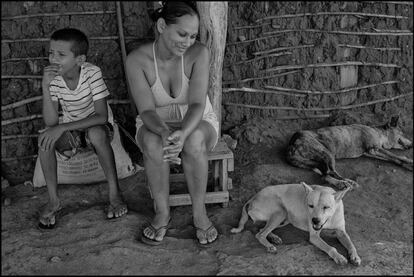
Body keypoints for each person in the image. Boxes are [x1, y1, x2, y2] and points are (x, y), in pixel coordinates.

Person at [125, 1, 220, 245]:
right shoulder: (137, 60)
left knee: (195, 140)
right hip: (155, 123)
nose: (187, 42)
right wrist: (166, 132)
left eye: (192, 36)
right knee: (153, 142)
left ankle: (199, 215)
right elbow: (146, 110)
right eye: (181, 34)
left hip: (197, 121)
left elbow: (198, 104)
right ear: (161, 26)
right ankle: (162, 212)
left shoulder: (199, 53)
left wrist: (183, 134)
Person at [38, 28, 128, 229]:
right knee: (44, 140)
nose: (53, 59)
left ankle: (115, 195)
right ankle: (53, 200)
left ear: (79, 60)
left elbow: (101, 116)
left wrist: (63, 128)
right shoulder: (53, 79)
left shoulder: (91, 72)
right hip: (74, 130)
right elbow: (52, 123)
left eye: (61, 55)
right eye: (51, 53)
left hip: (99, 126)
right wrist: (45, 87)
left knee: (96, 133)